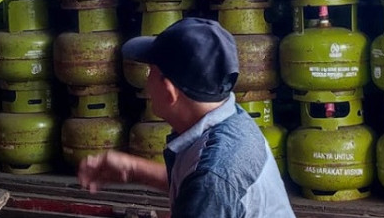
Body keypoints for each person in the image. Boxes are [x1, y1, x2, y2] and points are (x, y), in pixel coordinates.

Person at [78, 18, 296, 218]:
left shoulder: (212, 178)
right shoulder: (233, 119)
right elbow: (197, 185)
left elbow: (207, 186)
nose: (147, 82)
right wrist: (133, 170)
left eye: (150, 71)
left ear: (168, 91)